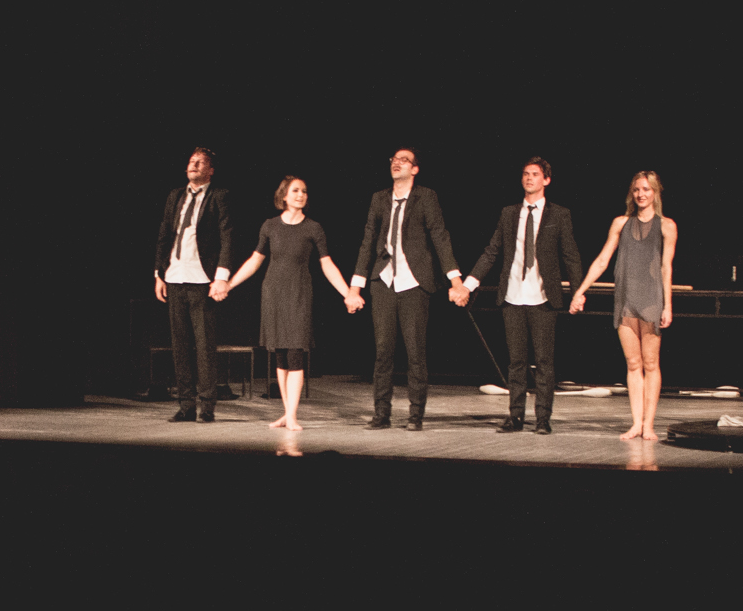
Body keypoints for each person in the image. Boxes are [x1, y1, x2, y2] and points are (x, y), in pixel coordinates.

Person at [212, 176, 358, 431]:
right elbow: (255, 261)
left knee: (295, 353)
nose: (301, 195)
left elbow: (327, 264)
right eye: (295, 190)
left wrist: (348, 293)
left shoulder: (313, 228)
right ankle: (287, 413)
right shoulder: (270, 225)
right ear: (284, 196)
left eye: (304, 191)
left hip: (299, 294)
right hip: (273, 294)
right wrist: (228, 284)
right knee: (280, 355)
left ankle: (292, 414)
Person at [455, 156, 584, 435]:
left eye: (535, 174)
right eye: (526, 173)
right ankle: (515, 416)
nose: (529, 178)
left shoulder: (559, 214)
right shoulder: (509, 213)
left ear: (546, 180)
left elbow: (570, 255)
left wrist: (578, 292)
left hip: (543, 298)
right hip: (513, 295)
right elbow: (492, 251)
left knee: (544, 362)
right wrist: (468, 284)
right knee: (516, 362)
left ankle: (543, 419)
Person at [349, 149, 464, 430]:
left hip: (414, 283)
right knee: (383, 352)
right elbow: (367, 240)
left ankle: (415, 415)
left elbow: (440, 236)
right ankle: (381, 414)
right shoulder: (379, 198)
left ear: (415, 169)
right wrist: (355, 286)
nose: (397, 163)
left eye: (404, 160)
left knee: (415, 352)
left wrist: (455, 279)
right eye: (394, 159)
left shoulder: (426, 197)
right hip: (384, 281)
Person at [571, 170, 677, 441]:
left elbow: (666, 267)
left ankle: (648, 424)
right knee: (633, 363)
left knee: (650, 363)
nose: (641, 194)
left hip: (651, 300)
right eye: (637, 189)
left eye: (646, 189)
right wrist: (580, 291)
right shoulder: (620, 223)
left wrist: (667, 306)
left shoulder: (666, 226)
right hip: (626, 300)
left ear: (655, 192)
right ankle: (636, 423)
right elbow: (602, 260)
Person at [153, 147, 236, 422]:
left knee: (204, 346)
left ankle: (207, 405)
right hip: (175, 276)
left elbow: (227, 236)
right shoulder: (175, 195)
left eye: (200, 162)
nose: (194, 164)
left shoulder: (219, 196)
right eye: (191, 161)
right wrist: (159, 273)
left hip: (202, 279)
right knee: (179, 346)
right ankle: (186, 404)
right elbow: (164, 234)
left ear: (210, 170)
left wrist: (221, 276)